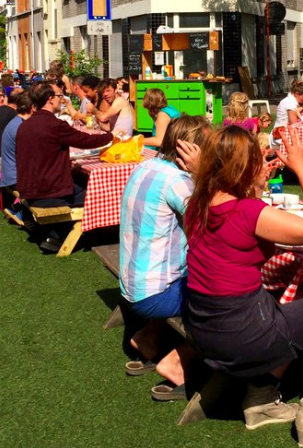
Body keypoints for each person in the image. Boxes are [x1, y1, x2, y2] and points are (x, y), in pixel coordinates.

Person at [183, 126, 303, 446]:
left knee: (295, 299)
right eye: (259, 161)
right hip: (244, 336)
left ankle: (260, 401)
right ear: (242, 169)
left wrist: (255, 184)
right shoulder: (248, 211)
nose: (268, 166)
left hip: (202, 330)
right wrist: (302, 168)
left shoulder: (197, 203)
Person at [119, 116, 208, 399]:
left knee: (186, 270)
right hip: (154, 295)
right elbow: (215, 226)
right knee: (228, 299)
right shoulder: (178, 182)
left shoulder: (146, 166)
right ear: (190, 151)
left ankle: (148, 337)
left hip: (133, 284)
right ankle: (177, 363)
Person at [15, 82, 116, 208]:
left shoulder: (24, 125)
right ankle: (97, 227)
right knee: (102, 195)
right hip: (50, 192)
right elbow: (85, 140)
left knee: (80, 180)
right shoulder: (54, 125)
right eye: (59, 96)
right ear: (50, 99)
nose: (61, 99)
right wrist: (111, 136)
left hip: (29, 189)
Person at [0, 91, 33, 202]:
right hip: (16, 179)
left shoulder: (16, 122)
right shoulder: (22, 127)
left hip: (11, 175)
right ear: (33, 107)